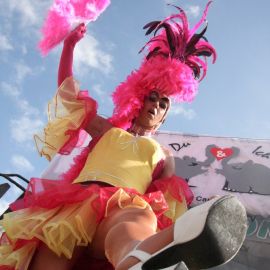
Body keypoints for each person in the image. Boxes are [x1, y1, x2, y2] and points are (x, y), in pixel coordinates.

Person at [0, 3, 247, 270]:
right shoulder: (107, 129)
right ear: (138, 100)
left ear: (164, 117)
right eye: (152, 98)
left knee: (137, 220)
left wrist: (173, 224)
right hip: (73, 208)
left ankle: (141, 258)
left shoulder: (164, 154)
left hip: (123, 208)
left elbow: (164, 202)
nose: (156, 105)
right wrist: (69, 46)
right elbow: (68, 93)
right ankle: (146, 253)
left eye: (163, 104)